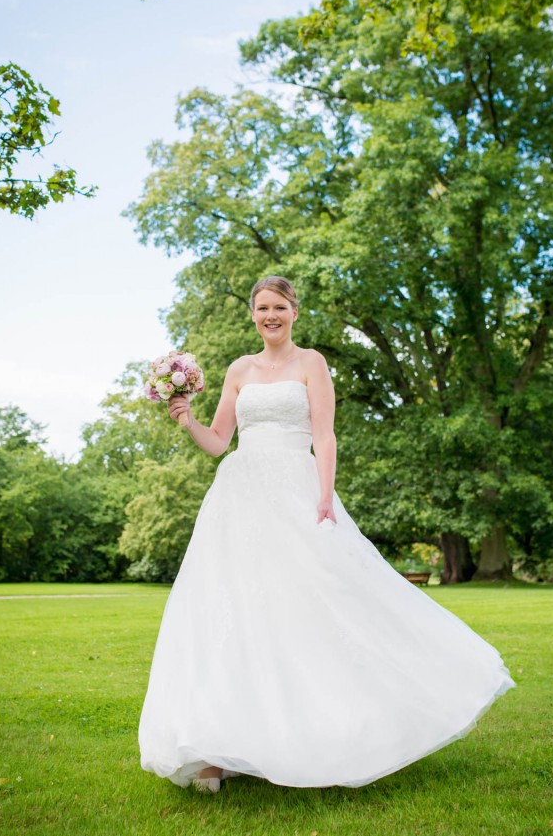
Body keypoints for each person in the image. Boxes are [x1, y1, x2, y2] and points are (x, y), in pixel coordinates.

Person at [138, 275, 516, 793]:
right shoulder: (239, 370)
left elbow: (324, 434)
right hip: (239, 499)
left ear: (294, 311)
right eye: (261, 308)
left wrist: (323, 496)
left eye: (279, 307)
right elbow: (219, 442)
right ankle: (218, 748)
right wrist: (186, 419)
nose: (270, 315)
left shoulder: (311, 363)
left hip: (296, 490)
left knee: (310, 603)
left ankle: (319, 729)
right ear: (252, 314)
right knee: (230, 608)